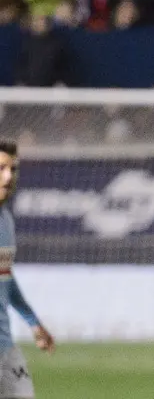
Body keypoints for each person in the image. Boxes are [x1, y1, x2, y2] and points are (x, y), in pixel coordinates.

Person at [0, 140, 55, 399]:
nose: (8, 176)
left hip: (5, 347)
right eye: (1, 168)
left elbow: (5, 279)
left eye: (13, 169)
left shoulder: (6, 222)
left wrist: (33, 323)